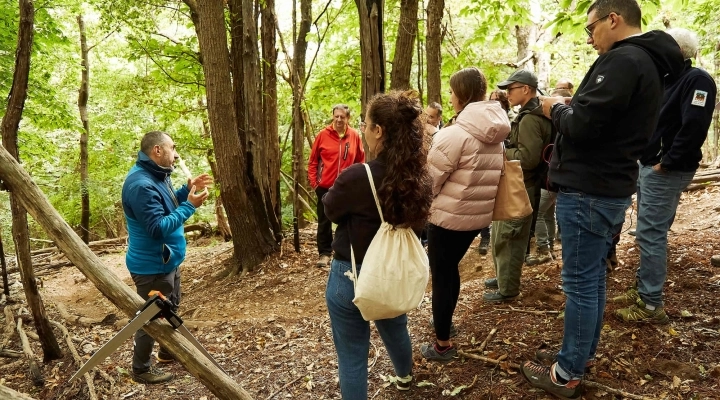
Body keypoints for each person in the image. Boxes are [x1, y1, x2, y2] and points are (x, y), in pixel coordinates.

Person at [522, 1, 685, 398]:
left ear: (613, 19)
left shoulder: (625, 60)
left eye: (591, 28)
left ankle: (566, 374)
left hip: (589, 188)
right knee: (590, 279)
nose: (590, 37)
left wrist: (555, 108)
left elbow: (583, 124)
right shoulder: (645, 63)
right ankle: (578, 353)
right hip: (607, 185)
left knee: (580, 283)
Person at [322, 91, 433, 398]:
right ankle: (405, 377)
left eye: (366, 124)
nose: (364, 129)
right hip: (392, 271)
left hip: (351, 274)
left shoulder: (358, 176)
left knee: (353, 355)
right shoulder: (418, 176)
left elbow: (330, 209)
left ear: (379, 130)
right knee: (396, 326)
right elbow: (421, 223)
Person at [613, 28, 717, 323]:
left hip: (665, 169)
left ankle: (650, 305)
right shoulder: (668, 79)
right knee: (648, 233)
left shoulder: (697, 79)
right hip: (650, 166)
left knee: (651, 234)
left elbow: (695, 126)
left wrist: (667, 162)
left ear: (677, 50)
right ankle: (643, 289)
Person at [421, 67, 510, 361]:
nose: (449, 96)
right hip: (476, 218)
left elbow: (429, 182)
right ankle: (445, 324)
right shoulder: (495, 134)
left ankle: (442, 344)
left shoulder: (454, 134)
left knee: (442, 276)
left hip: (447, 219)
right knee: (451, 270)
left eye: (451, 91)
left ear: (461, 95)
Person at [121, 131, 212, 384]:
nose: (176, 153)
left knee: (171, 306)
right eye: (172, 148)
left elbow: (168, 204)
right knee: (150, 318)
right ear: (157, 150)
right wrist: (191, 205)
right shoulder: (141, 185)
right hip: (152, 267)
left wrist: (186, 190)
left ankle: (166, 351)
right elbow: (157, 227)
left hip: (167, 261)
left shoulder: (157, 175)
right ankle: (141, 369)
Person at [483, 70, 552, 302]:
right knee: (505, 234)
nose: (507, 93)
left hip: (523, 184)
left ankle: (508, 289)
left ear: (526, 89)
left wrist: (502, 151)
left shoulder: (531, 118)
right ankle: (504, 277)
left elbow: (529, 158)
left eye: (511, 88)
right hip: (520, 184)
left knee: (510, 236)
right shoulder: (528, 113)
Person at [308, 104, 365, 267]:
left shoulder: (354, 136)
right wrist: (315, 184)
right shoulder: (322, 135)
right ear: (333, 116)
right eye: (336, 116)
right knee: (324, 220)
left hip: (347, 188)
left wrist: (357, 182)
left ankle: (345, 252)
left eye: (342, 117)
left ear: (348, 119)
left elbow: (360, 161)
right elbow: (312, 162)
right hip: (325, 186)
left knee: (348, 220)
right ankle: (324, 254)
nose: (339, 119)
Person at [527, 87, 572, 266]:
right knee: (547, 215)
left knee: (537, 214)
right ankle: (550, 248)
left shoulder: (559, 126)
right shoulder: (559, 126)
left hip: (549, 180)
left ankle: (544, 249)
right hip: (553, 180)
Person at [477, 89, 512, 255]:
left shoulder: (511, 119)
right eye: (491, 99)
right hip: (486, 167)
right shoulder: (484, 119)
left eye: (497, 99)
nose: (493, 102)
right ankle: (485, 237)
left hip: (504, 169)